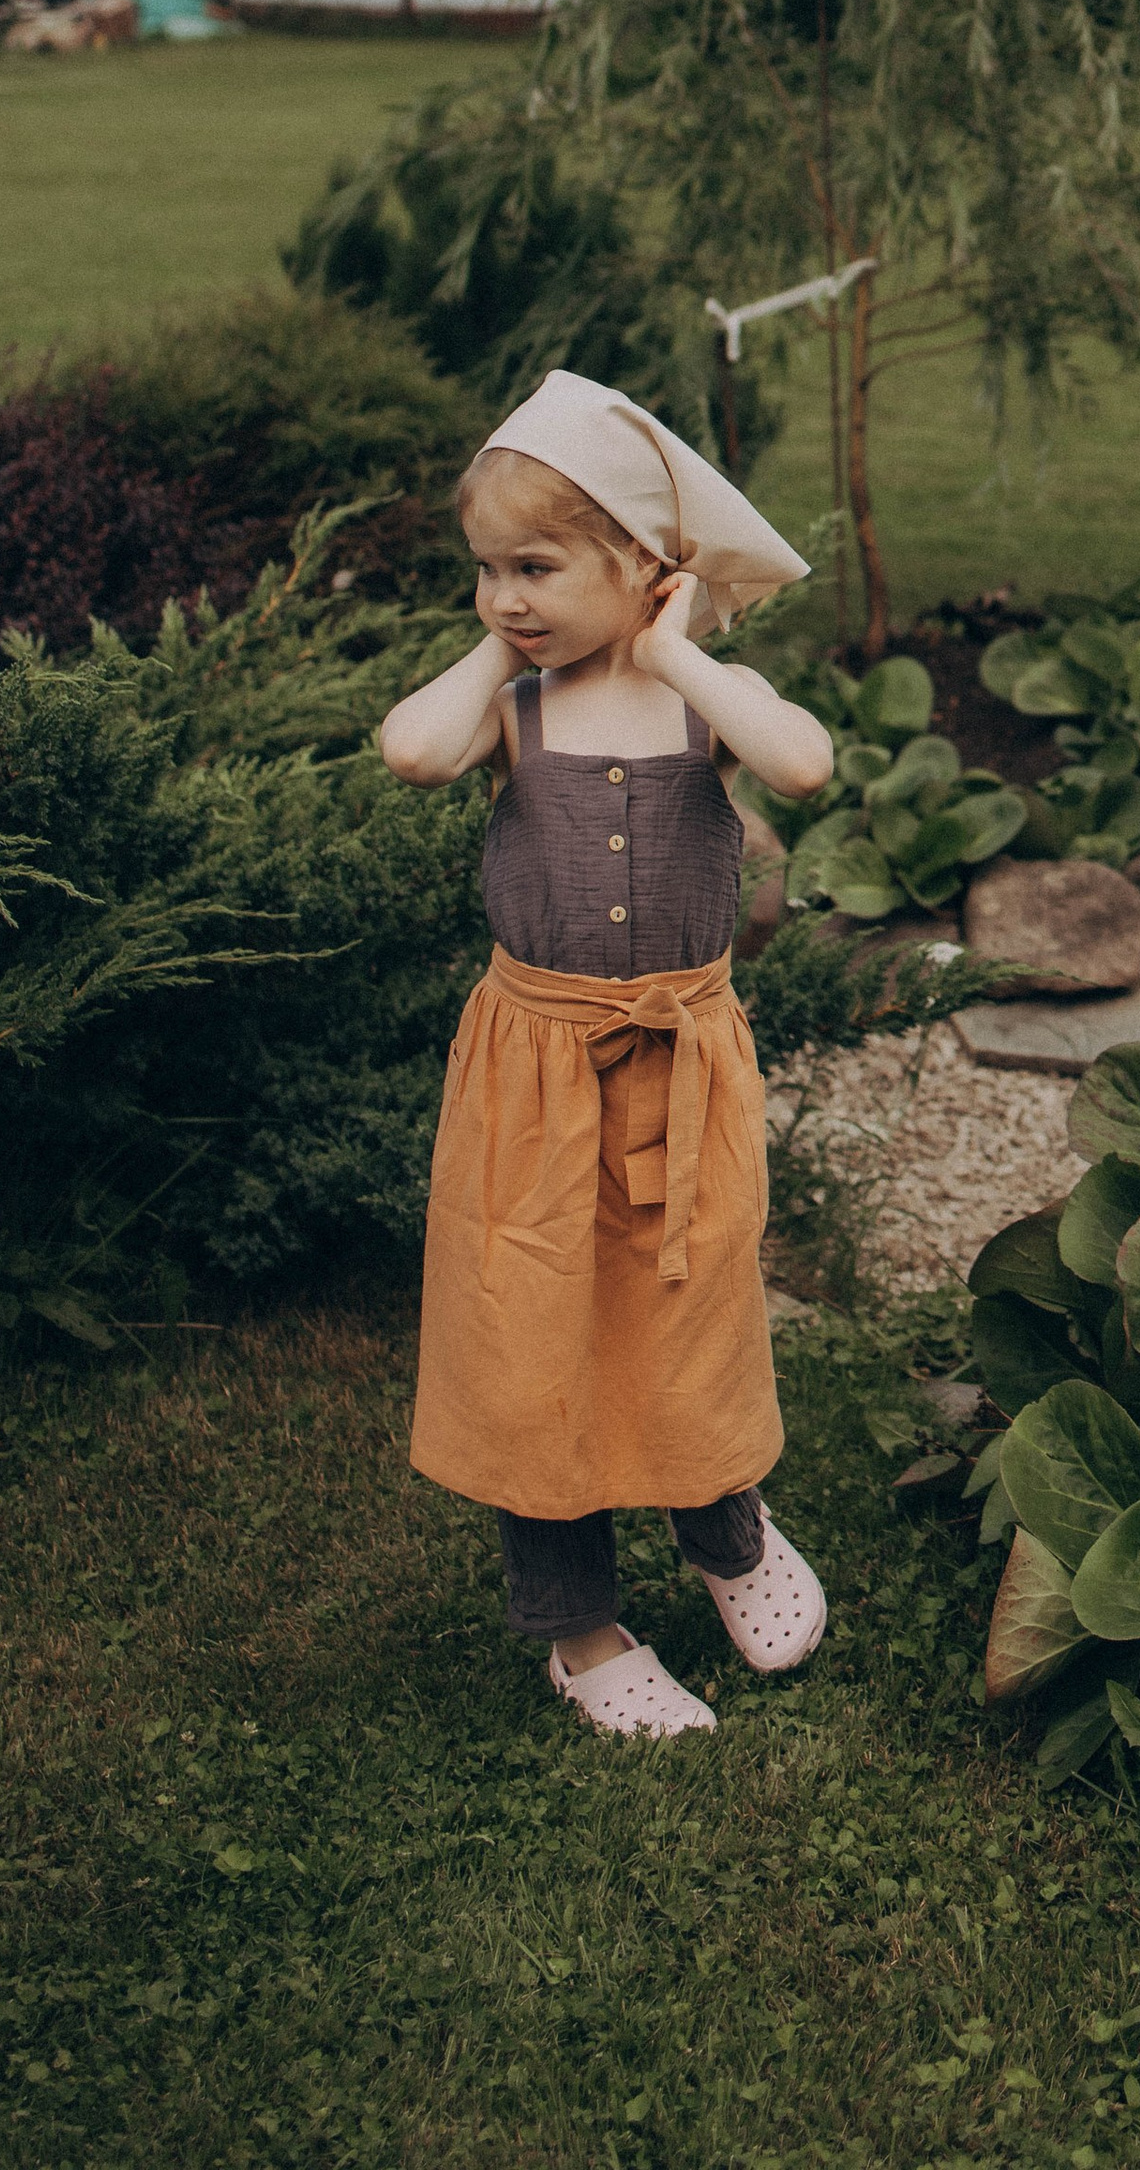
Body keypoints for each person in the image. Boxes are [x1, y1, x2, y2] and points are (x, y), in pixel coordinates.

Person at [379, 369, 837, 1739]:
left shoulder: (706, 703)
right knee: (535, 1338)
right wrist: (505, 651)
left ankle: (727, 1535)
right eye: (486, 570)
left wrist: (677, 646)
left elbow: (804, 764)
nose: (506, 595)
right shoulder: (515, 715)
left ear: (645, 566)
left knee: (689, 1310)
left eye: (538, 566)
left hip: (682, 1066)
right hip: (536, 1075)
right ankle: (578, 1630)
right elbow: (411, 751)